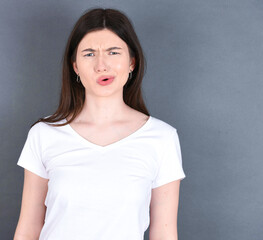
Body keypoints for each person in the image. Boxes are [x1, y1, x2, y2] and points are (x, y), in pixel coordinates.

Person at [14, 7, 185, 240]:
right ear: (75, 66)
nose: (101, 65)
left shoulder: (162, 138)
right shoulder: (44, 134)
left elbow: (164, 233)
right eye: (89, 54)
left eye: (113, 52)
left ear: (132, 62)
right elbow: (28, 228)